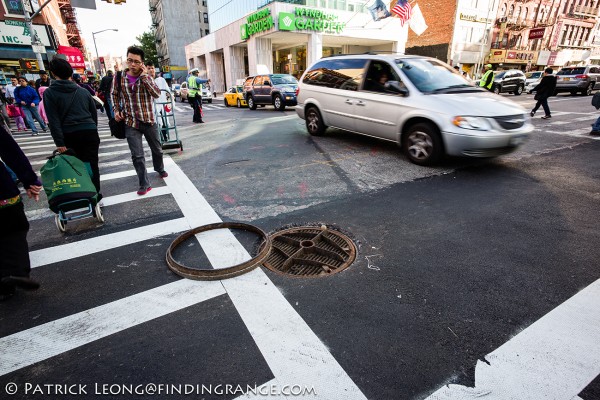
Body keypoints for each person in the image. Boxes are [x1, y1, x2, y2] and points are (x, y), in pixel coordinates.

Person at [112, 46, 167, 196]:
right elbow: (114, 95)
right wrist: (116, 110)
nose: (133, 65)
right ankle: (144, 183)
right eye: (130, 60)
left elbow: (156, 94)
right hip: (131, 122)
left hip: (149, 120)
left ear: (141, 63)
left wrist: (144, 77)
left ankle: (159, 168)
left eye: (136, 62)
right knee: (137, 155)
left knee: (157, 149)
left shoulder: (147, 77)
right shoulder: (118, 77)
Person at [44, 57, 102, 199]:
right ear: (70, 72)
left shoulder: (50, 93)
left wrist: (60, 143)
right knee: (92, 164)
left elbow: (53, 120)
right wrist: (92, 130)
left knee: (74, 166)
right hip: (89, 133)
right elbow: (93, 114)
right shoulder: (83, 91)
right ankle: (96, 194)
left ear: (53, 73)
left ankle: (82, 193)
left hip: (69, 135)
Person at [0, 123, 43, 301]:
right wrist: (29, 180)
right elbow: (10, 151)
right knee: (14, 230)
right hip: (2, 192)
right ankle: (16, 271)